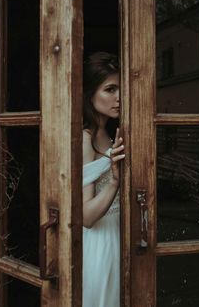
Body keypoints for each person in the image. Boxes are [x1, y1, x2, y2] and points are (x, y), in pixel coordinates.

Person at [82, 52, 125, 307]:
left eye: (120, 88)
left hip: (118, 234)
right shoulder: (85, 139)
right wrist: (114, 183)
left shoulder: (107, 135)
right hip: (99, 242)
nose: (118, 97)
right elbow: (86, 217)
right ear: (90, 93)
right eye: (110, 89)